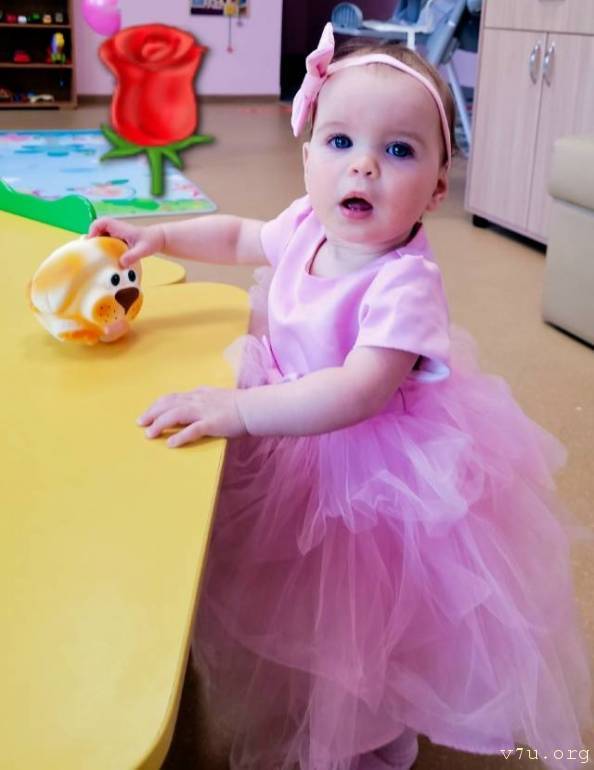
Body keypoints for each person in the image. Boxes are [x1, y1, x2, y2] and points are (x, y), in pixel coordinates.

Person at [88, 23, 593, 770]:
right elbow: (239, 238)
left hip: (366, 475)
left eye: (400, 150)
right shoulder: (305, 224)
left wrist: (240, 411)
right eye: (340, 142)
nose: (363, 165)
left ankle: (364, 732)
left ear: (437, 188)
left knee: (355, 623)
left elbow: (359, 390)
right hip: (288, 422)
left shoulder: (405, 283)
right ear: (307, 158)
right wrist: (160, 237)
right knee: (279, 588)